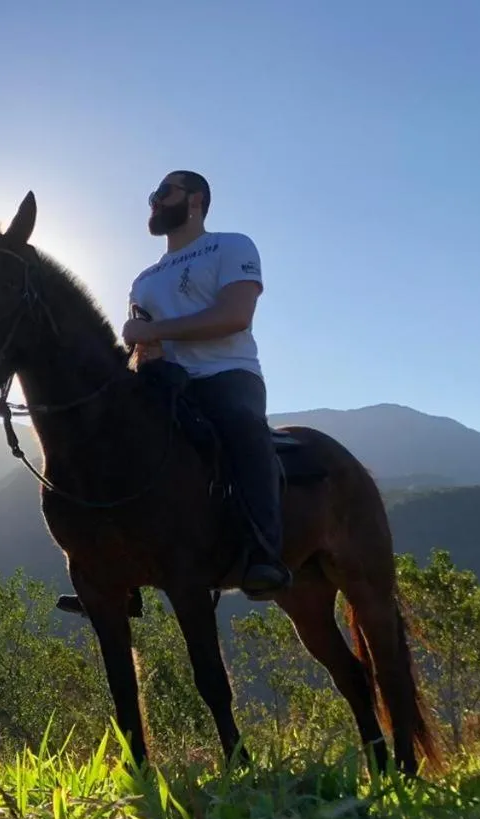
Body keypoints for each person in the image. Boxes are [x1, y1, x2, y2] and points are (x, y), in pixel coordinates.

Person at [119, 170, 291, 598]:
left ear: (195, 199)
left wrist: (157, 333)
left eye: (164, 192)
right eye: (152, 195)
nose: (154, 201)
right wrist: (144, 352)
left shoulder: (231, 246)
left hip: (227, 374)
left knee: (241, 426)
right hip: (167, 383)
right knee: (107, 434)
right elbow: (146, 344)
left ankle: (265, 553)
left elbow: (236, 315)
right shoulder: (143, 280)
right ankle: (113, 574)